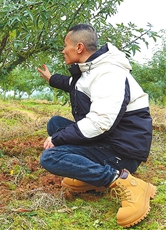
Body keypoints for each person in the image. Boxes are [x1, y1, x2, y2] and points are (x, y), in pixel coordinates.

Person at [37, 24, 156, 228]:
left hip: (123, 150)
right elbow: (74, 85)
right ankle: (92, 177)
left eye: (66, 45)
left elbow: (100, 122)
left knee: (51, 156)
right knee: (56, 123)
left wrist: (58, 139)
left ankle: (124, 181)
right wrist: (51, 79)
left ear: (80, 47)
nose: (63, 50)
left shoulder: (108, 73)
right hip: (110, 139)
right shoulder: (91, 69)